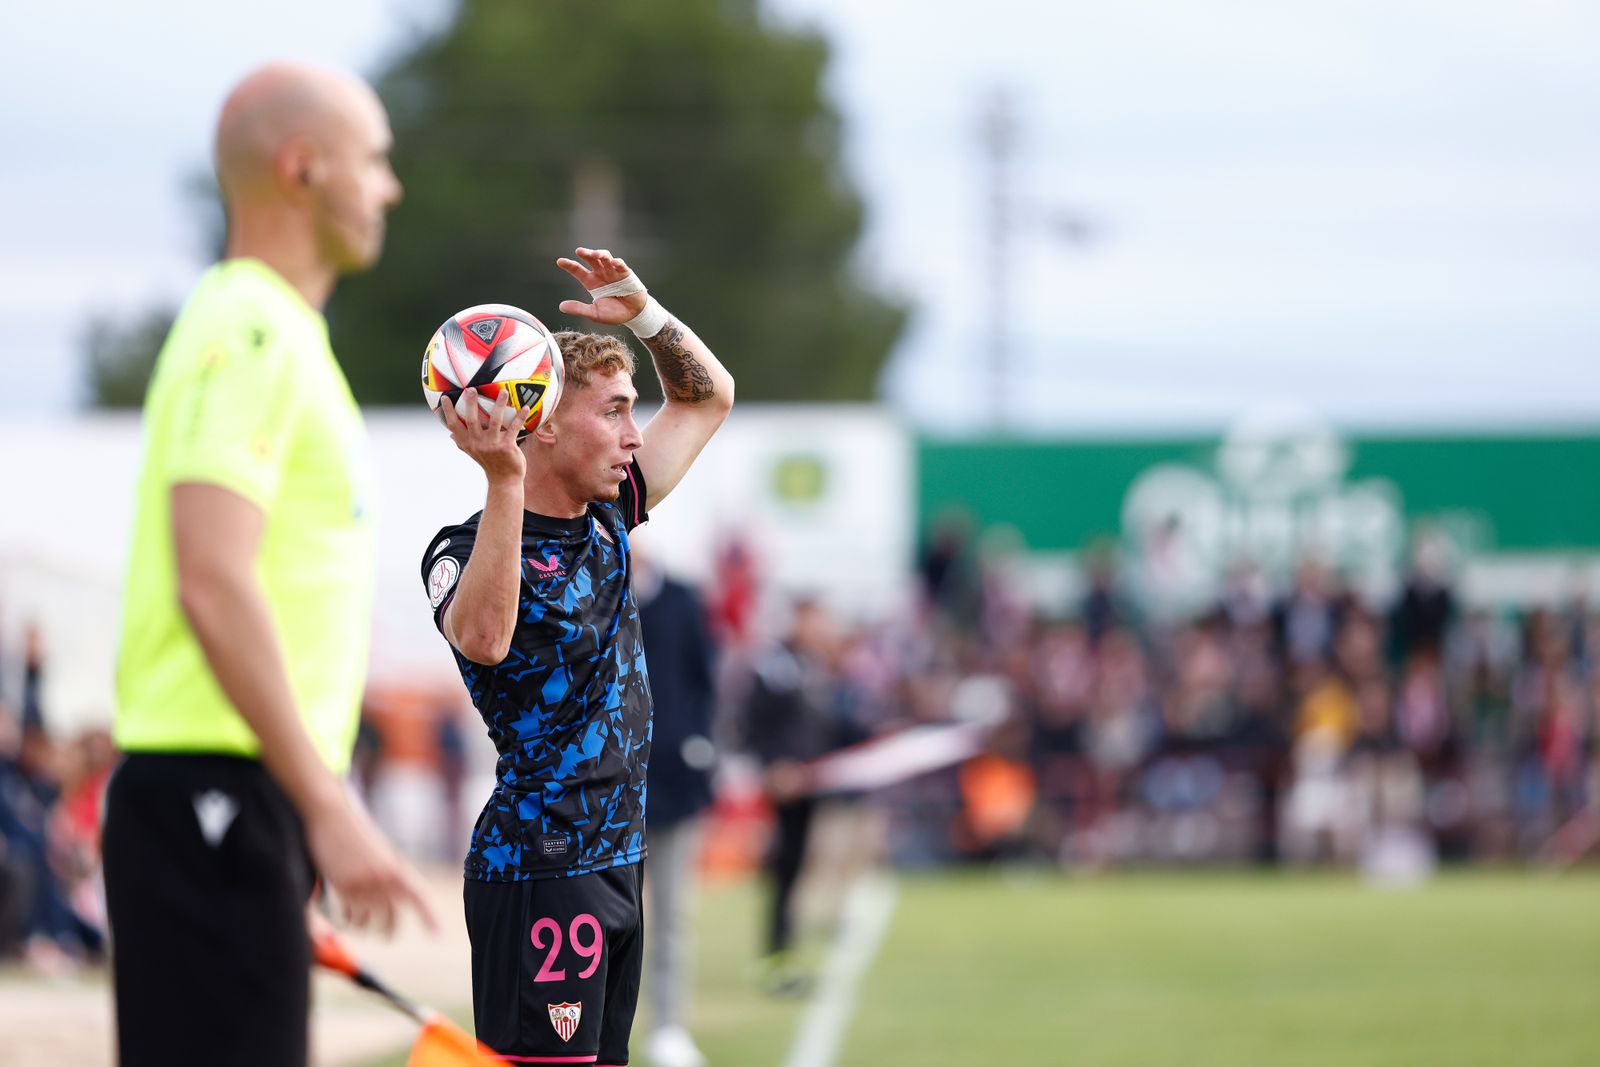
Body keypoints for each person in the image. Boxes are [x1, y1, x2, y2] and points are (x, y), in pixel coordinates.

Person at [102, 62, 432, 1067]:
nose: (390, 188)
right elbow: (211, 575)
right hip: (213, 787)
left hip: (241, 796)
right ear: (303, 167)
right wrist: (327, 805)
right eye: (373, 160)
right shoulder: (249, 329)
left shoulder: (278, 332)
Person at [422, 247, 734, 1064]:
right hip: (541, 869)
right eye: (615, 411)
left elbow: (708, 397)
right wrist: (505, 480)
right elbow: (485, 639)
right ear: (547, 423)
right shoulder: (460, 550)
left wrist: (645, 314)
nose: (635, 434)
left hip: (620, 859)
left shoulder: (608, 517)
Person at [635, 542, 718, 1067]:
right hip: (611, 788)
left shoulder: (682, 598)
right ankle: (599, 1025)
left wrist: (697, 743)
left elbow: (703, 680)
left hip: (674, 782)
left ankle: (667, 1026)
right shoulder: (598, 588)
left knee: (670, 915)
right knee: (610, 917)